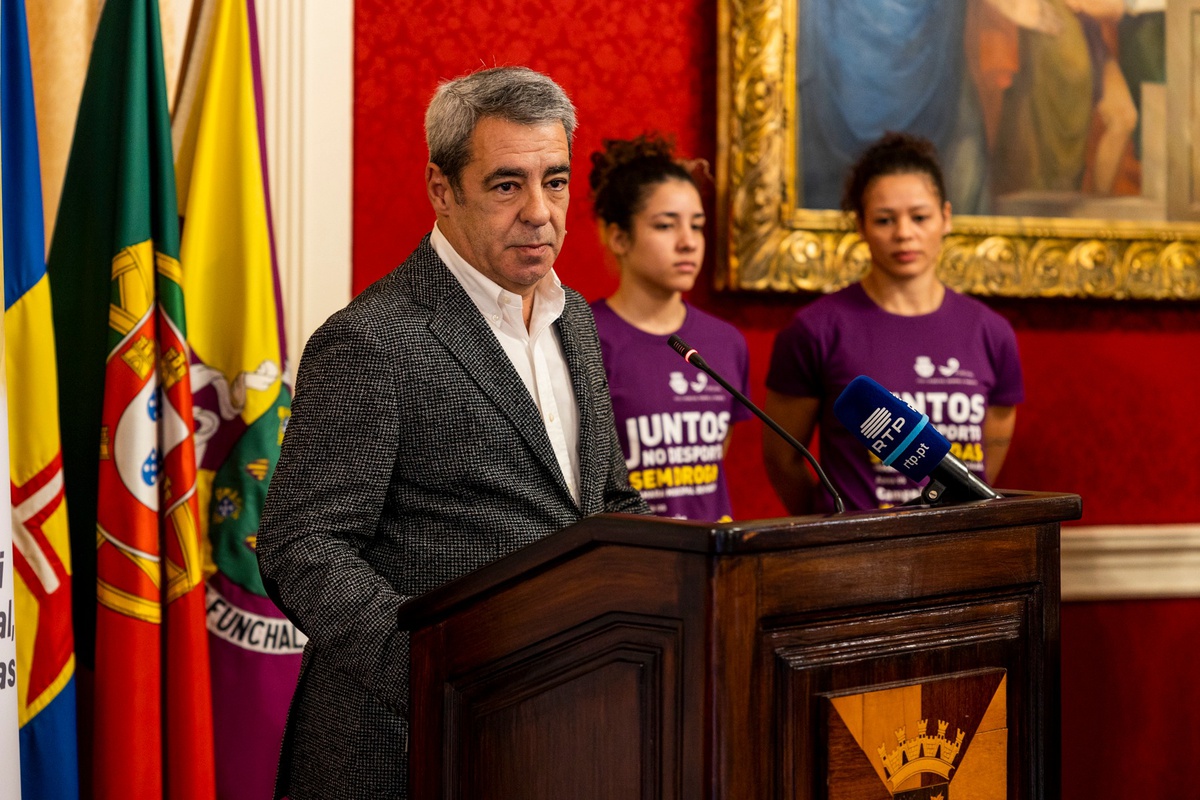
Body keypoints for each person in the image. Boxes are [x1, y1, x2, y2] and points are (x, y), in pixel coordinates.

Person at [256, 66, 649, 799]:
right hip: (404, 748)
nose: (540, 213)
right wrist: (435, 671)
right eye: (508, 185)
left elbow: (603, 504)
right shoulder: (372, 341)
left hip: (563, 731)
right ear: (442, 189)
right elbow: (299, 545)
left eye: (556, 182)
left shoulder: (580, 323)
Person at [763, 132, 1024, 514]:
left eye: (920, 217)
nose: (904, 233)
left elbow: (988, 460)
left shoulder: (991, 333)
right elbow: (782, 459)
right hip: (856, 554)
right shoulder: (814, 331)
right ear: (861, 225)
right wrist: (828, 532)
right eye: (885, 219)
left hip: (958, 551)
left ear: (946, 218)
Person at [588, 134, 751, 521]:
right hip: (625, 561)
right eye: (666, 226)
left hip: (710, 561)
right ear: (619, 237)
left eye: (697, 226)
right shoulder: (585, 337)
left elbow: (713, 461)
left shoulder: (726, 342)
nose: (688, 243)